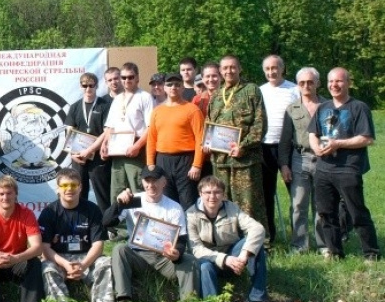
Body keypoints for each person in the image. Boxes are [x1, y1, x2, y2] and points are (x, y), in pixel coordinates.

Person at [308, 67, 379, 261]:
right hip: (323, 168)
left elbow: (367, 138)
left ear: (348, 83)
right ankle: (335, 252)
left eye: (339, 81)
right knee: (326, 213)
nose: (334, 85)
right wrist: (316, 148)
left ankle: (371, 253)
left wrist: (338, 144)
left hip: (348, 168)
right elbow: (312, 133)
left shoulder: (359, 108)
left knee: (356, 212)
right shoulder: (323, 107)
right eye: (331, 81)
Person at [105, 166, 198, 302]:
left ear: (164, 182)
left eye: (155, 181)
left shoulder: (174, 207)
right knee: (119, 249)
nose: (150, 185)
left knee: (190, 260)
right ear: (142, 182)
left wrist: (176, 254)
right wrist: (118, 204)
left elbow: (181, 239)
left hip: (164, 259)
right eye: (147, 181)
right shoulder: (133, 200)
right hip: (139, 257)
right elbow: (107, 222)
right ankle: (124, 300)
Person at [39, 168, 113, 302]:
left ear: (80, 187)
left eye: (73, 185)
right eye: (65, 185)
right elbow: (44, 248)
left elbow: (99, 245)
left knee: (106, 263)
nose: (69, 189)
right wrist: (66, 265)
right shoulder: (49, 212)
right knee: (46, 268)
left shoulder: (92, 209)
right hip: (60, 259)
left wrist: (84, 265)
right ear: (58, 189)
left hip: (86, 257)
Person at [187, 176, 268, 302]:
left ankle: (257, 299)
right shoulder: (191, 214)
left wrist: (243, 256)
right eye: (207, 192)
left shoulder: (232, 208)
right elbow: (196, 249)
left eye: (217, 192)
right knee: (205, 266)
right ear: (200, 194)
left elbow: (257, 228)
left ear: (223, 194)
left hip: (234, 257)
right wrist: (224, 259)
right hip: (209, 260)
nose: (212, 196)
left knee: (256, 244)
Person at [206, 55, 268, 232]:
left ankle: (258, 243)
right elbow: (209, 123)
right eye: (225, 68)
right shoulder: (216, 95)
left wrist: (244, 146)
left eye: (233, 67)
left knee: (249, 203)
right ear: (220, 71)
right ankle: (230, 239)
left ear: (240, 68)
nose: (229, 71)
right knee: (223, 202)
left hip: (245, 160)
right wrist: (207, 142)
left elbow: (260, 123)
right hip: (221, 161)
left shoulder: (251, 90)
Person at [279, 67, 328, 254]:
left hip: (324, 159)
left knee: (322, 203)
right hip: (299, 158)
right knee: (298, 203)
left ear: (318, 83)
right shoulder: (292, 109)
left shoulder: (328, 106)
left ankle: (323, 244)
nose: (306, 86)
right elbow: (285, 139)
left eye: (310, 82)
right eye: (302, 83)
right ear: (297, 85)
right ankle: (299, 245)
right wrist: (284, 165)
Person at [145, 73, 204, 209]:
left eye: (177, 84)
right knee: (166, 202)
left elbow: (201, 139)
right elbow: (151, 138)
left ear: (183, 88)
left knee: (188, 202)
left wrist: (197, 165)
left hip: (185, 161)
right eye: (170, 84)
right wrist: (150, 163)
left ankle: (189, 230)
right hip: (163, 160)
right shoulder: (157, 111)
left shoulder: (192, 110)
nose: (173, 87)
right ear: (164, 87)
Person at [101, 62, 155, 203]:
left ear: (137, 77)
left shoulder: (145, 97)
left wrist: (137, 147)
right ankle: (117, 224)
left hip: (136, 150)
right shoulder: (117, 99)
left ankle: (140, 223)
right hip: (117, 152)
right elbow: (110, 127)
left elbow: (151, 128)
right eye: (123, 77)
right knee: (117, 190)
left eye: (130, 77)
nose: (126, 80)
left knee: (137, 189)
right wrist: (105, 144)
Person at [260, 55, 300, 243]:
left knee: (296, 194)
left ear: (282, 68)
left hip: (289, 148)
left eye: (275, 68)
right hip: (265, 148)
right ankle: (270, 237)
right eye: (267, 69)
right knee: (266, 195)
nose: (271, 72)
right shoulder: (260, 91)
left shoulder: (295, 90)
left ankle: (298, 238)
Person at [64, 73, 112, 212]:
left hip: (97, 156)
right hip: (79, 157)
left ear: (96, 86)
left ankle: (108, 228)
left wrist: (89, 150)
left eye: (91, 85)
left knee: (102, 193)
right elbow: (69, 131)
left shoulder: (105, 105)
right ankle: (82, 223)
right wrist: (72, 153)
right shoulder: (74, 107)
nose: (88, 89)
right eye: (85, 86)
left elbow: (106, 132)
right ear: (80, 87)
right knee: (79, 192)